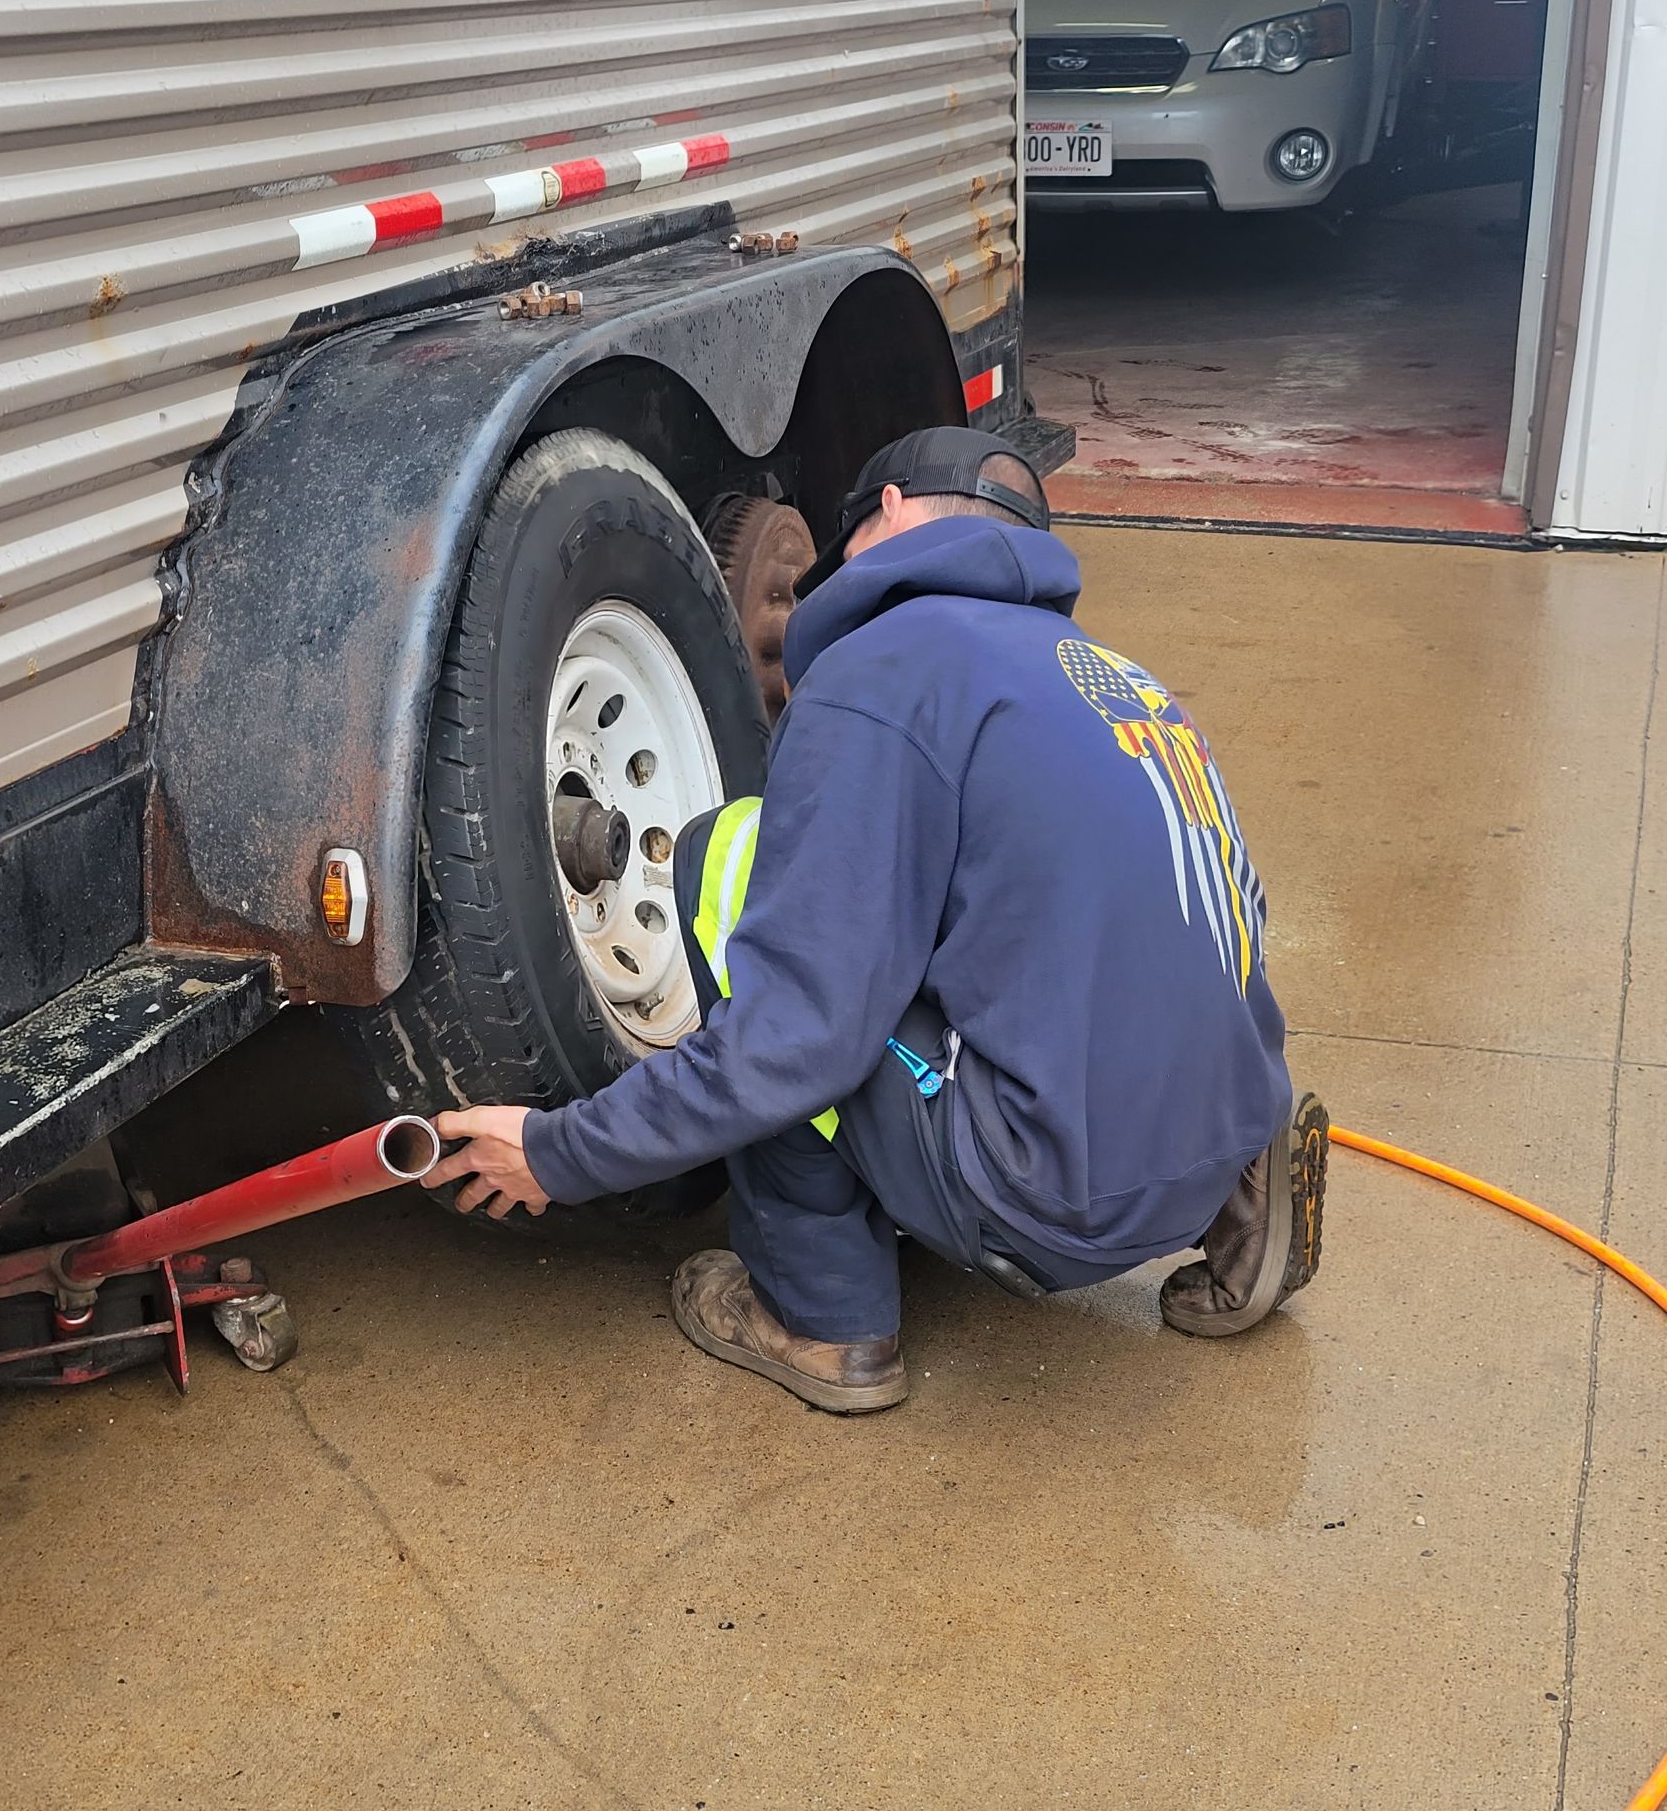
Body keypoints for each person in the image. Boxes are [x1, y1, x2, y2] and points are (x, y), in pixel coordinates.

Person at [429, 427, 1325, 1414]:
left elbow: (795, 1039)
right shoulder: (1118, 683)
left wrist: (562, 1151)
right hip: (1218, 1119)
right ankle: (1247, 1180)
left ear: (892, 510)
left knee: (731, 861)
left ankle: (823, 1317)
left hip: (1048, 1201)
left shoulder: (881, 675)